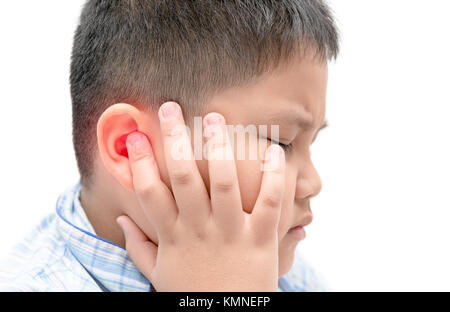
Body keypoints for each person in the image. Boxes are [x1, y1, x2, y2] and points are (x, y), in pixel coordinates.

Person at [0, 0, 339, 291]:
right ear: (130, 147)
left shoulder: (285, 273)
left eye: (312, 142)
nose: (313, 183)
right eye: (281, 142)